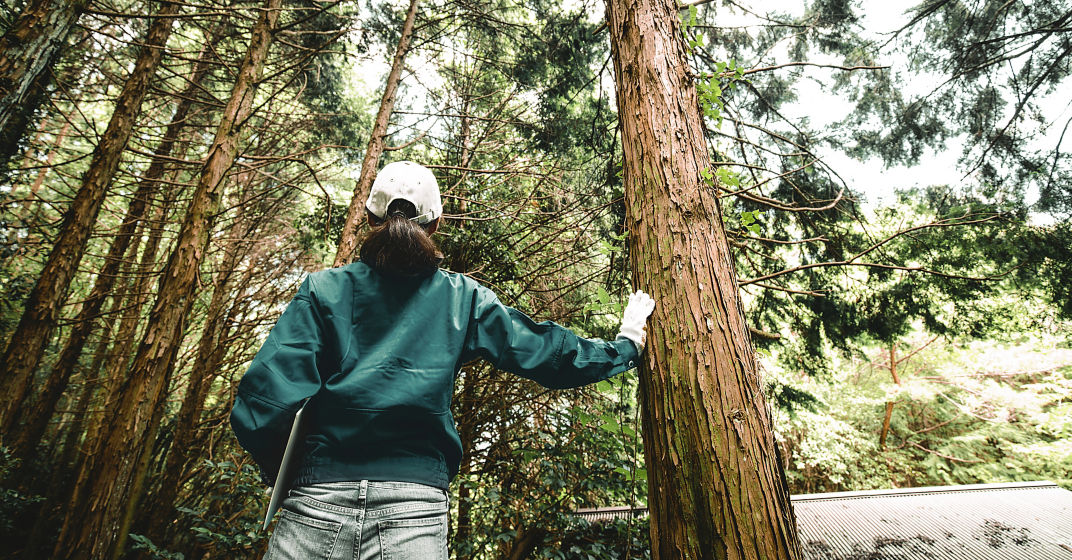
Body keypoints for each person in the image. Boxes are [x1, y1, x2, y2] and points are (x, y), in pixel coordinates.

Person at [230, 160, 656, 560]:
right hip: (414, 507)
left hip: (316, 502)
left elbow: (262, 402)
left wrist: (295, 474)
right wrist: (624, 346)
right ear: (437, 223)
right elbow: (542, 352)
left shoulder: (324, 289)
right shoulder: (464, 298)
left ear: (369, 219)